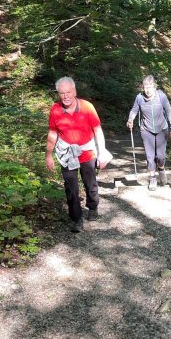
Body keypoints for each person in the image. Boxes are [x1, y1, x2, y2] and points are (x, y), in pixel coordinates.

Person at [45, 77, 110, 233]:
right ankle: (76, 218)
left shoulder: (87, 107)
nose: (66, 96)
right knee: (71, 188)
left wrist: (101, 152)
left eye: (68, 92)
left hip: (87, 152)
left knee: (90, 183)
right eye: (62, 93)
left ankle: (93, 206)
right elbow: (53, 133)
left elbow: (97, 131)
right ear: (58, 94)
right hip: (66, 153)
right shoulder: (55, 110)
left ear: (75, 91)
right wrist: (48, 155)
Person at [126, 75, 171, 191]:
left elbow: (169, 112)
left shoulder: (161, 96)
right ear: (142, 88)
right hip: (146, 130)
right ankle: (152, 178)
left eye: (150, 87)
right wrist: (130, 120)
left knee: (161, 156)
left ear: (154, 86)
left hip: (162, 129)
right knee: (150, 157)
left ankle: (162, 168)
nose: (147, 90)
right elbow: (134, 110)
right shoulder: (139, 98)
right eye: (145, 87)